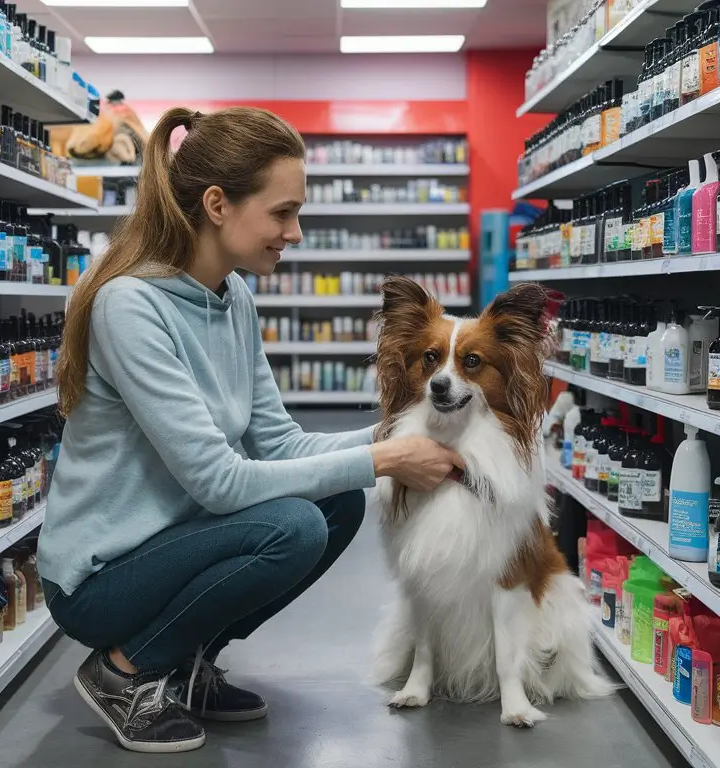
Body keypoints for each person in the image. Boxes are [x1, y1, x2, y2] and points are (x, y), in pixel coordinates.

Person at [38, 105, 463, 754]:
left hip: (176, 543)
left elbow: (280, 443)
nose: (294, 231)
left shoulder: (231, 294)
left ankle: (185, 661)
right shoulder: (132, 306)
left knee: (339, 502)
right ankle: (123, 670)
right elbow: (217, 480)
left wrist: (392, 436)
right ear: (217, 204)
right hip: (103, 575)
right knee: (292, 529)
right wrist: (385, 461)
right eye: (282, 212)